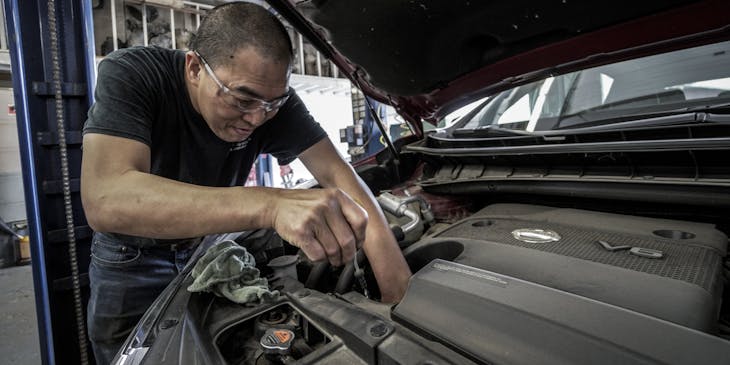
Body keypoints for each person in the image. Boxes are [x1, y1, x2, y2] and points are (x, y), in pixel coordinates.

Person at [80, 3, 411, 363]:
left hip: (207, 249)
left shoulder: (269, 102)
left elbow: (337, 175)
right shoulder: (135, 74)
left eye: (273, 103)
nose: (256, 118)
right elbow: (106, 198)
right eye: (242, 100)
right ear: (194, 68)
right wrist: (270, 204)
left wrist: (397, 292)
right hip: (132, 260)